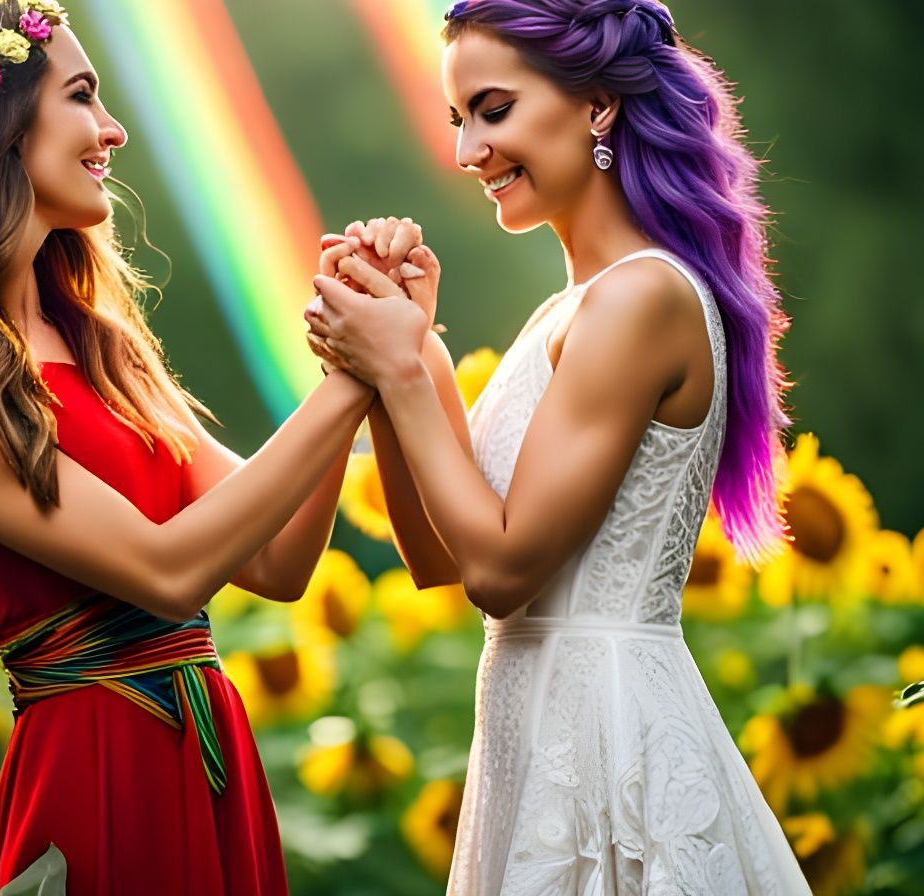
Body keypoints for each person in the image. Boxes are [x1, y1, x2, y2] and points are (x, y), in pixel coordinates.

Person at [0, 1, 374, 892]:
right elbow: (169, 575)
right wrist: (355, 381)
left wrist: (356, 344)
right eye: (84, 96)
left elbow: (280, 562)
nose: (114, 129)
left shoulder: (94, 340)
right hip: (96, 763)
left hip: (208, 744)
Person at [305, 0, 812, 892]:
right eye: (459, 121)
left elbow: (503, 572)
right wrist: (402, 354)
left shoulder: (643, 298)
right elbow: (441, 562)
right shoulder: (567, 312)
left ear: (596, 104)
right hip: (532, 733)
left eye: (494, 111)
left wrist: (409, 371)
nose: (468, 153)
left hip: (610, 733)